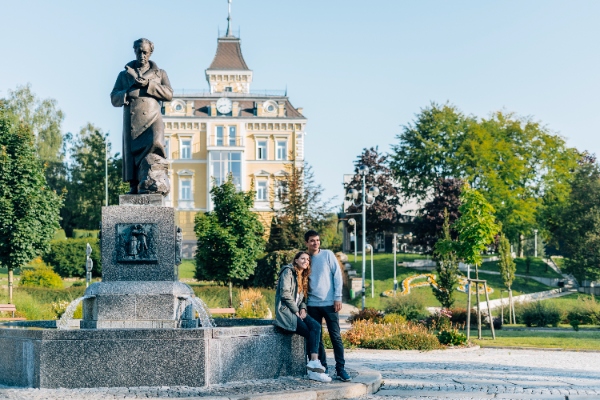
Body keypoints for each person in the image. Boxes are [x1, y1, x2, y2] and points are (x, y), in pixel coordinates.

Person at [111, 38, 173, 194]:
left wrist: (148, 85)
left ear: (150, 52)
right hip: (133, 119)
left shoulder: (160, 73)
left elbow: (169, 94)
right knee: (132, 151)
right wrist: (127, 93)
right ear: (134, 51)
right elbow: (114, 97)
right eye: (139, 51)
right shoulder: (125, 75)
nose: (142, 55)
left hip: (153, 117)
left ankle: (154, 177)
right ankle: (135, 184)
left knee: (155, 141)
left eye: (145, 52)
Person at [274, 251, 331, 382]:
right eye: (303, 259)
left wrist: (303, 309)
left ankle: (313, 363)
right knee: (310, 332)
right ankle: (314, 367)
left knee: (316, 326)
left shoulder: (303, 276)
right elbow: (285, 294)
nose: (306, 261)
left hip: (298, 311)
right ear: (296, 260)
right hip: (286, 310)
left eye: (308, 260)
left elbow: (303, 298)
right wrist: (296, 311)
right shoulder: (288, 272)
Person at [305, 230, 352, 382]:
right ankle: (322, 368)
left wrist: (338, 297)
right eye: (312, 240)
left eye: (317, 240)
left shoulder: (328, 255)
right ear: (307, 243)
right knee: (317, 338)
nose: (316, 243)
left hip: (329, 303)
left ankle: (341, 369)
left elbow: (337, 276)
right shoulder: (306, 259)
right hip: (312, 304)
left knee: (335, 336)